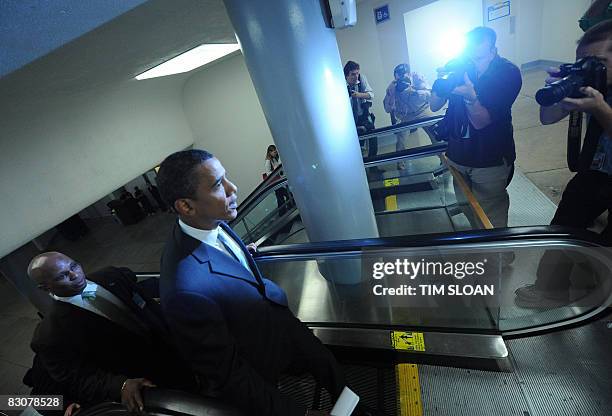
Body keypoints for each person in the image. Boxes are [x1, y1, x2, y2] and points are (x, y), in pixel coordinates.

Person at [156, 149, 345, 416]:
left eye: (226, 177)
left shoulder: (212, 221)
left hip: (276, 317)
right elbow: (230, 374)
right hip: (258, 356)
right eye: (218, 185)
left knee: (327, 363)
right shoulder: (184, 289)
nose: (234, 188)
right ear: (186, 206)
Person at [515, 20, 612, 307]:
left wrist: (600, 108)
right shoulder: (594, 84)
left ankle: (600, 302)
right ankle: (550, 289)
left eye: (599, 61)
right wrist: (556, 91)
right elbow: (547, 118)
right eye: (583, 61)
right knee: (561, 229)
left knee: (606, 251)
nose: (590, 67)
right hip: (595, 170)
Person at [27, 252, 193, 413]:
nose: (75, 275)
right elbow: (77, 378)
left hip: (179, 349)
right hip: (152, 379)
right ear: (44, 287)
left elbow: (144, 299)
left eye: (74, 266)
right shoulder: (50, 334)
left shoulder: (111, 275)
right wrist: (120, 385)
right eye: (62, 276)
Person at [430, 26, 522, 228]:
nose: (473, 64)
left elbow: (481, 122)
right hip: (457, 154)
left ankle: (499, 257)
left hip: (489, 158)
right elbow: (434, 105)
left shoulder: (508, 73)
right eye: (470, 57)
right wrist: (441, 83)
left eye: (479, 59)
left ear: (493, 51)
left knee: (490, 216)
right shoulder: (460, 67)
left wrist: (470, 97)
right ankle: (482, 248)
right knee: (467, 207)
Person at [383, 63, 435, 169]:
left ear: (409, 74)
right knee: (401, 139)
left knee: (435, 133)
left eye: (404, 75)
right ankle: (400, 163)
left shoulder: (417, 78)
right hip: (405, 116)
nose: (402, 79)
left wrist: (415, 90)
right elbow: (387, 109)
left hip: (422, 111)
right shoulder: (393, 87)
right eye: (398, 76)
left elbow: (431, 95)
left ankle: (443, 157)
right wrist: (390, 93)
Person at [345, 60, 378, 158]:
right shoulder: (340, 84)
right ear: (346, 75)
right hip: (349, 119)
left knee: (373, 138)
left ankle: (374, 166)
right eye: (353, 74)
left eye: (357, 73)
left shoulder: (361, 79)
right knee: (356, 144)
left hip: (363, 115)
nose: (356, 76)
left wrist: (358, 95)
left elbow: (371, 95)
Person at [264, 144, 291, 216]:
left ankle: (283, 213)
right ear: (269, 152)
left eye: (275, 151)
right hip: (276, 182)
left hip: (279, 181)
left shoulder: (275, 158)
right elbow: (268, 174)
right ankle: (286, 211)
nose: (274, 153)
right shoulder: (268, 162)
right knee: (286, 196)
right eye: (273, 151)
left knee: (281, 199)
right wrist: (275, 170)